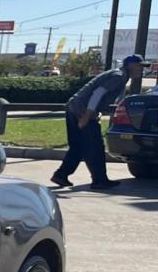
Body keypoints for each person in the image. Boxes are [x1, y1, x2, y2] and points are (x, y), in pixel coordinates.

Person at [51, 54, 144, 190]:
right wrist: (87, 116)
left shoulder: (119, 75)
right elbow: (98, 93)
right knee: (95, 146)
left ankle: (61, 175)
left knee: (78, 145)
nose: (141, 69)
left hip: (74, 107)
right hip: (82, 111)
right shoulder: (118, 76)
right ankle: (99, 180)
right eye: (139, 66)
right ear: (130, 65)